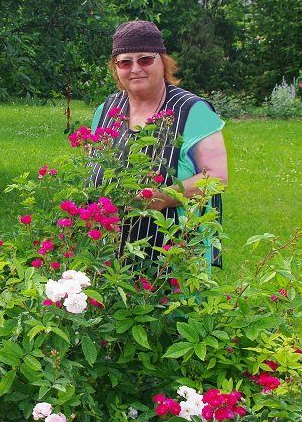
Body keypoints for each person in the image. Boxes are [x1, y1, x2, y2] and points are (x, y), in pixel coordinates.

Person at [89, 20, 228, 267]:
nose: (135, 69)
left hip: (173, 252)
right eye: (125, 62)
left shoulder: (192, 111)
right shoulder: (107, 109)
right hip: (110, 248)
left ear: (162, 62)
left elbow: (217, 178)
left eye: (145, 60)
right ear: (116, 68)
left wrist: (163, 197)